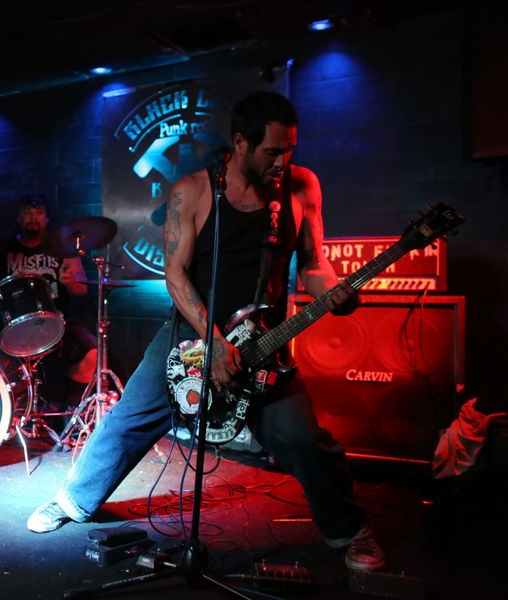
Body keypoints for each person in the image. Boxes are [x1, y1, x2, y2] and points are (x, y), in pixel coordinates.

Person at [26, 91, 386, 572]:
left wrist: (335, 291)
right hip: (192, 332)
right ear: (240, 143)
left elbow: (313, 263)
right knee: (130, 418)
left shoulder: (302, 187)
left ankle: (349, 531)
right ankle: (74, 501)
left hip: (263, 340)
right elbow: (175, 275)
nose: (282, 162)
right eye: (272, 152)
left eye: (289, 150)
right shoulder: (192, 191)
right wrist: (214, 343)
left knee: (302, 439)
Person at [0, 195, 97, 410]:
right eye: (27, 213)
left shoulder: (63, 249)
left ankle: (69, 412)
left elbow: (81, 288)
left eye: (39, 213)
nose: (33, 217)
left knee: (92, 355)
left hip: (55, 327)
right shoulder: (1, 249)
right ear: (19, 219)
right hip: (11, 329)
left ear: (47, 218)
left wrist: (71, 282)